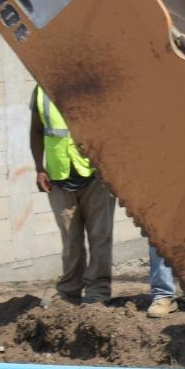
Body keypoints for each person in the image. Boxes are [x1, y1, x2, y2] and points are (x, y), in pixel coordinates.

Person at [29, 84, 115, 305]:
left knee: (100, 236)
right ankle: (69, 290)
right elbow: (36, 130)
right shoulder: (41, 91)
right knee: (70, 240)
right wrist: (40, 168)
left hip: (96, 173)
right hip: (59, 176)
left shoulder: (92, 83)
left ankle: (98, 291)